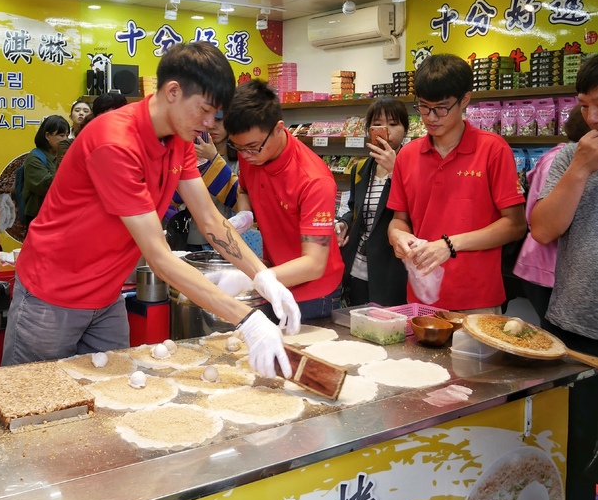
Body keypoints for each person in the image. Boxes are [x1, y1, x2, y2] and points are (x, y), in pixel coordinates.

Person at [2, 42, 301, 377]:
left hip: (106, 295)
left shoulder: (180, 140)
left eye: (215, 114)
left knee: (111, 398)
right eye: (204, 110)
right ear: (173, 91)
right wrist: (247, 320)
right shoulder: (115, 142)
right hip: (52, 296)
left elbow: (211, 220)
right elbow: (158, 256)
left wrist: (262, 276)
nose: (209, 124)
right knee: (32, 403)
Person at [530, 53, 598, 500]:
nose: (594, 118)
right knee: (575, 450)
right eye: (586, 107)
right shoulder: (568, 158)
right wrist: (579, 168)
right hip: (576, 325)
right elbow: (544, 229)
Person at [387, 53, 526, 312]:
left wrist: (449, 245)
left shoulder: (492, 150)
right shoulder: (407, 155)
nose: (430, 117)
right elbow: (399, 217)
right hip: (421, 296)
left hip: (477, 299)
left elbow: (515, 225)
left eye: (441, 107)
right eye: (423, 107)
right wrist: (397, 235)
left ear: (465, 100)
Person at [222, 79, 344, 320]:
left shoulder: (313, 179)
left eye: (252, 147)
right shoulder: (252, 156)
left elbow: (314, 263)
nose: (246, 156)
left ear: (279, 128)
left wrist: (255, 278)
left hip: (313, 295)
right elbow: (244, 190)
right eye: (238, 148)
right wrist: (245, 213)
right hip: (273, 280)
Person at [513, 105, 589, 324]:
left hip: (554, 267)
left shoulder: (555, 155)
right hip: (547, 266)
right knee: (558, 335)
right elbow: (544, 227)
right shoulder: (564, 160)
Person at [336, 98, 409, 307]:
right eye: (377, 124)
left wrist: (397, 172)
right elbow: (354, 210)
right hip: (358, 267)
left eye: (393, 124)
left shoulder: (413, 166)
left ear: (405, 129)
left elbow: (419, 212)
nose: (385, 130)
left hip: (393, 270)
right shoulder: (361, 168)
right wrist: (344, 223)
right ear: (369, 129)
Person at [169, 110, 245, 251]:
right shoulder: (191, 157)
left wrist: (213, 158)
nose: (211, 126)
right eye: (205, 120)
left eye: (219, 120)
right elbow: (175, 199)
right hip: (195, 237)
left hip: (233, 240)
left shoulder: (243, 157)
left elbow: (239, 199)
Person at [22, 115, 69, 224]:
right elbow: (44, 186)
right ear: (47, 135)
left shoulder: (62, 155)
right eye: (61, 135)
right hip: (40, 216)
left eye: (67, 135)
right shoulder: (35, 158)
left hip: (60, 214)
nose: (65, 139)